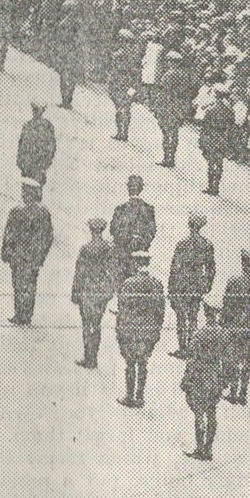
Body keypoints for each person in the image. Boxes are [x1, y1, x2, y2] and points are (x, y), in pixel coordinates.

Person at [114, 250, 166, 409]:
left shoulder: (129, 283)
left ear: (136, 264)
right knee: (143, 363)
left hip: (131, 330)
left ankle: (129, 396)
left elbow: (122, 309)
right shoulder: (156, 284)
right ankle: (140, 397)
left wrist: (120, 330)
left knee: (130, 363)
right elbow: (160, 310)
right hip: (148, 331)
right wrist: (156, 331)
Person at [219, 249, 250, 405]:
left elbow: (227, 306)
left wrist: (224, 325)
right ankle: (243, 393)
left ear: (242, 263)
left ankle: (233, 392)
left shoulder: (234, 281)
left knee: (233, 359)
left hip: (235, 328)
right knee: (247, 359)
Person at [182, 300, 231, 460]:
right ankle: (209, 448)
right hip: (215, 375)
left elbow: (192, 357)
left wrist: (186, 378)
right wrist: (225, 380)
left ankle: (199, 447)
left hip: (200, 375)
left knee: (198, 413)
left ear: (205, 312)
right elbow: (229, 360)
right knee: (211, 412)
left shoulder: (199, 334)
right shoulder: (224, 334)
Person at [1, 180, 53, 325]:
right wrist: (42, 256)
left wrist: (6, 253)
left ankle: (19, 314)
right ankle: (27, 314)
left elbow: (8, 234)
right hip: (34, 257)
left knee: (18, 284)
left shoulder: (17, 211)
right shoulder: (44, 212)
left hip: (18, 255)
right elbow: (48, 237)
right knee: (30, 284)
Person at [71, 217, 119, 369]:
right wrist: (111, 289)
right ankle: (94, 358)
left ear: (91, 231)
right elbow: (113, 271)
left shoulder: (86, 248)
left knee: (87, 324)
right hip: (102, 292)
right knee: (96, 324)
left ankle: (88, 357)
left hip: (87, 289)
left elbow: (79, 272)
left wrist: (75, 292)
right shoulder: (109, 248)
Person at [167, 213, 216, 356]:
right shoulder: (207, 245)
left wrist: (171, 288)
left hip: (182, 285)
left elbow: (174, 268)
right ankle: (191, 347)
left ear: (190, 226)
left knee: (181, 317)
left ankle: (183, 348)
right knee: (193, 317)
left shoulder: (182, 244)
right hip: (196, 286)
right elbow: (211, 268)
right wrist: (206, 284)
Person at [109, 175, 157, 277]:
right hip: (140, 255)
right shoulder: (148, 209)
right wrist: (140, 241)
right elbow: (151, 231)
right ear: (142, 188)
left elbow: (114, 230)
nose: (133, 188)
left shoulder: (120, 209)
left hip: (124, 255)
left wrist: (128, 240)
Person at [152, 49, 192, 168]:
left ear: (171, 62)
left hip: (168, 106)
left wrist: (157, 105)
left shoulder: (169, 74)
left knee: (165, 132)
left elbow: (163, 91)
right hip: (179, 106)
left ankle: (166, 158)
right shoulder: (185, 75)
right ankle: (172, 158)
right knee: (174, 132)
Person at [197, 85, 237, 195]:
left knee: (211, 162)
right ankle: (216, 186)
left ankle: (211, 186)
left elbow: (205, 126)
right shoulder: (229, 110)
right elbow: (232, 126)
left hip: (212, 136)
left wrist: (201, 139)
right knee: (219, 162)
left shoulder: (211, 109)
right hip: (223, 137)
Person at [106, 28, 142, 142]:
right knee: (125, 107)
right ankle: (124, 132)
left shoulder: (120, 54)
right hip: (128, 84)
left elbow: (114, 69)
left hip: (119, 83)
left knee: (120, 107)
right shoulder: (134, 55)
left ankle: (121, 132)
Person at [16, 103, 57, 188]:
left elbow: (51, 146)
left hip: (39, 166)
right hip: (27, 166)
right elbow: (21, 145)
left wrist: (45, 164)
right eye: (34, 110)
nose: (35, 112)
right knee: (26, 192)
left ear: (42, 111)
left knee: (35, 191)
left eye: (37, 110)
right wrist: (20, 162)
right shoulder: (27, 126)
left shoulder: (47, 126)